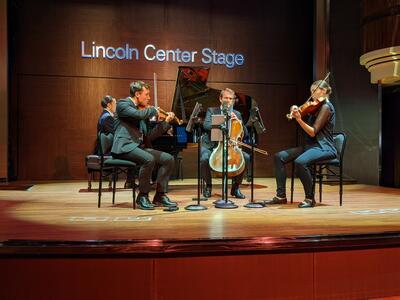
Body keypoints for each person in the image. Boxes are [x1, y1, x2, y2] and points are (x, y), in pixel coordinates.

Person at [266, 80, 337, 208]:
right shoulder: (314, 107)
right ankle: (280, 196)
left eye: (315, 90)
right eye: (311, 91)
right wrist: (294, 108)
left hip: (324, 147)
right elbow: (300, 110)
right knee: (279, 157)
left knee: (300, 162)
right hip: (312, 146)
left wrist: (299, 119)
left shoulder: (326, 107)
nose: (312, 93)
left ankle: (310, 199)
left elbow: (312, 132)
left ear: (324, 91)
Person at [111, 81, 177, 210]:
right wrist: (153, 110)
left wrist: (166, 123)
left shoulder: (143, 111)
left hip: (137, 147)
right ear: (137, 94)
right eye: (146, 95)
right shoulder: (123, 104)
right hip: (124, 147)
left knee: (168, 159)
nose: (149, 98)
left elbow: (150, 135)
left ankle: (160, 195)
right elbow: (137, 115)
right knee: (149, 159)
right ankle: (142, 196)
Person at [201, 88, 250, 199]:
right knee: (204, 159)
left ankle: (235, 188)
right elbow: (206, 125)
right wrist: (222, 121)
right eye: (226, 98)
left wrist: (239, 121)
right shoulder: (212, 111)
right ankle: (208, 186)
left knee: (246, 158)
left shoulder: (237, 113)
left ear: (233, 100)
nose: (228, 100)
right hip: (211, 145)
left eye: (230, 98)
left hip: (230, 146)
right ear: (220, 99)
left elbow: (245, 134)